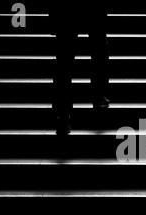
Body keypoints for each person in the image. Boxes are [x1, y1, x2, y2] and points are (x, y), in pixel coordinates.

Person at [49, 1, 110, 136]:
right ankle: (98, 95)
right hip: (92, 7)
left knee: (64, 60)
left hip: (67, 9)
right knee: (99, 49)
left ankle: (63, 113)